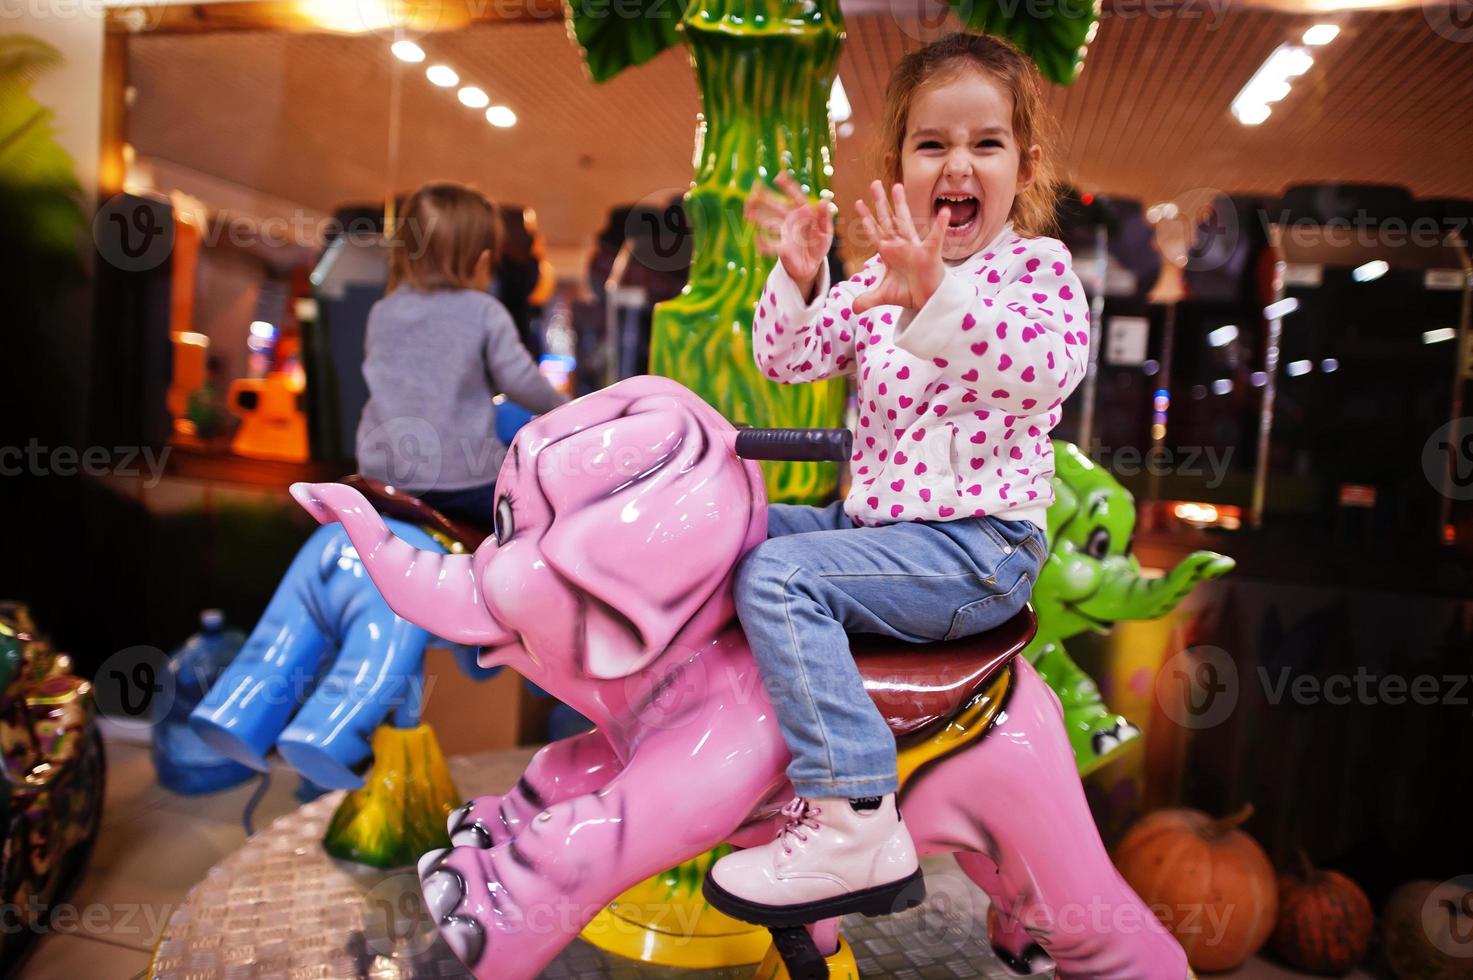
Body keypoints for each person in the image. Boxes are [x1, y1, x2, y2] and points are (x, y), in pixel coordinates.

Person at [706, 32, 1090, 924]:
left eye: (985, 144)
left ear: (1022, 166)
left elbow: (1037, 372)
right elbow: (788, 359)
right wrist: (801, 276)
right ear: (897, 165)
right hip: (875, 530)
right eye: (933, 144)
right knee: (730, 532)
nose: (958, 164)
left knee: (779, 572)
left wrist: (934, 296)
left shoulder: (1036, 274)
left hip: (978, 549)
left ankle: (852, 819)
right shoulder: (882, 276)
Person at [356, 183, 567, 528]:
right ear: (483, 261)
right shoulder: (484, 311)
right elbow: (518, 380)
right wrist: (565, 407)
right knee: (540, 518)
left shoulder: (383, 311)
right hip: (460, 479)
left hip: (381, 474)